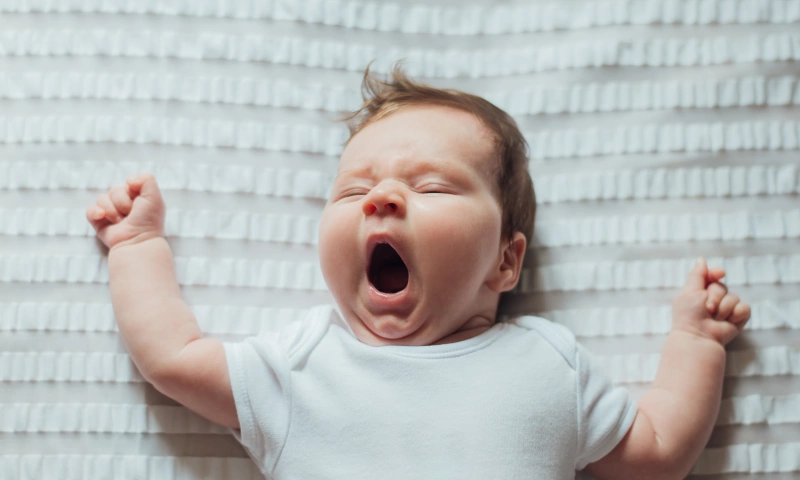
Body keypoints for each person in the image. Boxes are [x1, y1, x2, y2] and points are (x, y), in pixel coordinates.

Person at [86, 62, 751, 479]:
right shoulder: (302, 368)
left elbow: (657, 452)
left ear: (505, 260)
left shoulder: (548, 365)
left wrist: (694, 346)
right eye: (353, 192)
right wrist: (138, 248)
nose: (383, 197)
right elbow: (174, 356)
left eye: (432, 188)